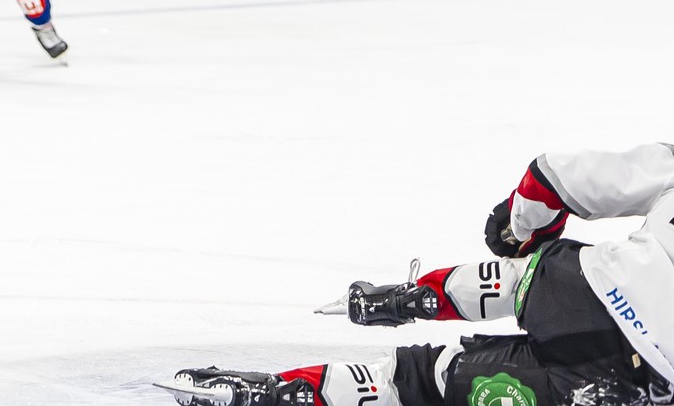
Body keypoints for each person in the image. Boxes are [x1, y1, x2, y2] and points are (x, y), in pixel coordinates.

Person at [166, 143, 674, 406]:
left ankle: (406, 303)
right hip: (635, 389)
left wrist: (522, 226)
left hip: (592, 294)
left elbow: (556, 176)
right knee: (426, 393)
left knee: (423, 370)